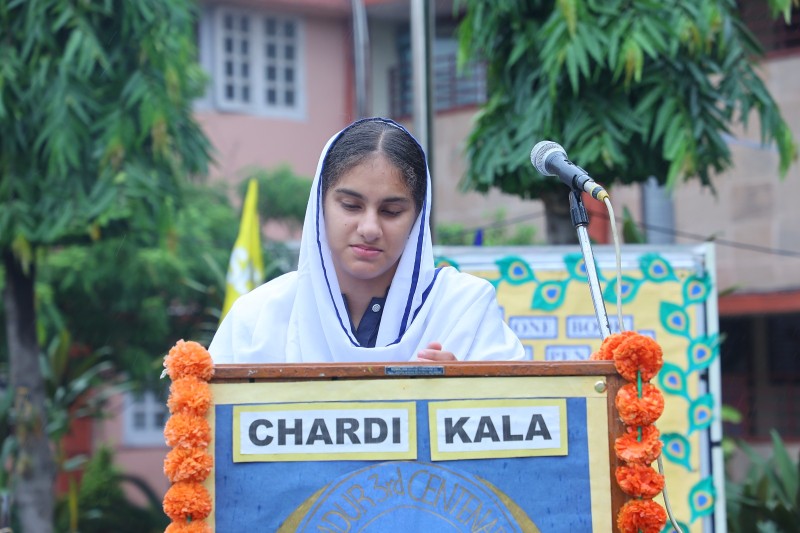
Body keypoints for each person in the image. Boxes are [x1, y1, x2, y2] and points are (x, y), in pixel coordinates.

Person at [209, 117, 527, 363]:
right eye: (351, 206)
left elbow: (524, 419)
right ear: (319, 205)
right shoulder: (257, 318)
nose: (370, 227)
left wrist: (472, 393)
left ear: (418, 218)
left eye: (391, 211)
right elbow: (206, 434)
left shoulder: (463, 309)